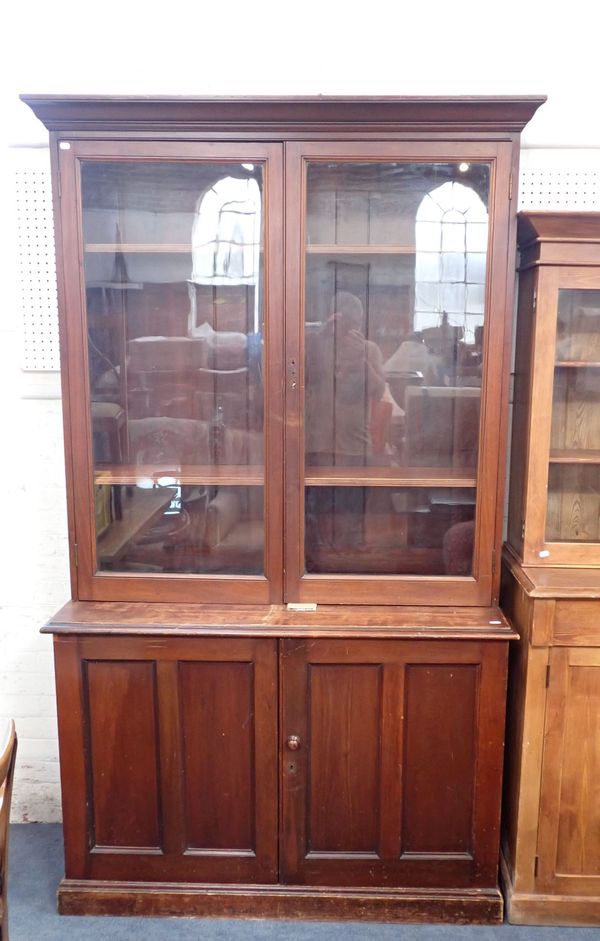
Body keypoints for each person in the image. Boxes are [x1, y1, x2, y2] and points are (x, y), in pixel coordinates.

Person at [305, 292, 386, 555]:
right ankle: (317, 564)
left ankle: (347, 563)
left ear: (360, 322)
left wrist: (360, 360)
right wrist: (321, 337)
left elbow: (377, 391)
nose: (348, 327)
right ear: (331, 318)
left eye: (354, 321)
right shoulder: (315, 347)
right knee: (317, 514)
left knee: (351, 518)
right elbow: (301, 378)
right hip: (318, 444)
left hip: (354, 447)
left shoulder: (368, 349)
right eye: (342, 319)